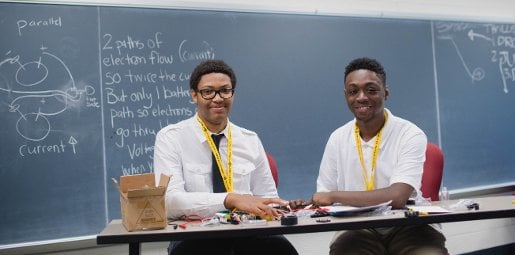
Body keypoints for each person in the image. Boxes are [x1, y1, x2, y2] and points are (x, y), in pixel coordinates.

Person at [291, 57, 447, 255]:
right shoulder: (338, 138)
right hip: (358, 228)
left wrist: (332, 196)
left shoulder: (410, 134)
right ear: (346, 95)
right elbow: (324, 199)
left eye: (371, 89)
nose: (361, 97)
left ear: (386, 93)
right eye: (353, 91)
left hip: (409, 225)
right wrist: (305, 206)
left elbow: (397, 197)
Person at [153, 59, 298, 255]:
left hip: (248, 231)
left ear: (233, 94)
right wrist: (230, 199)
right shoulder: (171, 138)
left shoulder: (249, 139)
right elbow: (169, 202)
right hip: (196, 234)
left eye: (225, 90)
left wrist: (281, 207)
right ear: (194, 95)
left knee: (283, 250)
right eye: (208, 91)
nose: (218, 98)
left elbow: (268, 198)